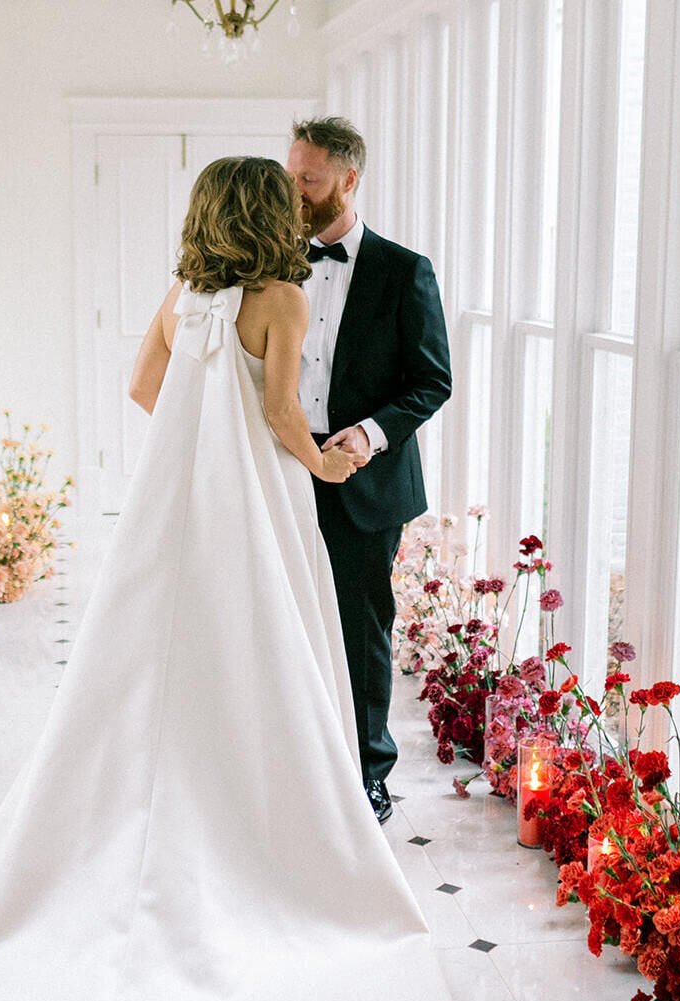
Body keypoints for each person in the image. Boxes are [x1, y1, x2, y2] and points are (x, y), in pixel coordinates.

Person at [0, 157, 460, 1001]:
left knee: (156, 652)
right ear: (269, 211)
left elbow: (143, 386)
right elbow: (279, 414)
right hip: (258, 501)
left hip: (177, 507)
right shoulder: (282, 297)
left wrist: (205, 439)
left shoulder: (183, 294)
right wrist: (324, 459)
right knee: (265, 643)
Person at [287, 118, 452, 824]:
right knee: (282, 618)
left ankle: (366, 772)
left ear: (349, 180)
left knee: (361, 629)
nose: (295, 190)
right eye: (291, 175)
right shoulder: (271, 261)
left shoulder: (403, 269)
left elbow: (430, 380)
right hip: (285, 468)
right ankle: (294, 759)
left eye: (310, 179)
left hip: (364, 478)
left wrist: (371, 432)